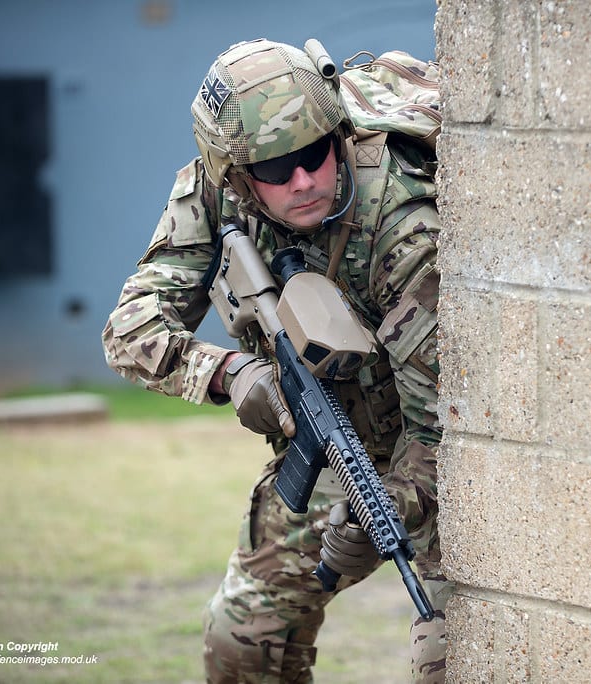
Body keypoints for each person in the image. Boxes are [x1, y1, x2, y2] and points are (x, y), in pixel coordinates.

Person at [101, 38, 447, 683]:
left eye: (316, 156)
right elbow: (128, 330)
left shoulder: (402, 228)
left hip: (442, 465)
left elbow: (443, 433)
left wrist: (394, 506)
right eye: (275, 170)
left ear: (338, 135)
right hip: (335, 443)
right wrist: (232, 374)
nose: (304, 181)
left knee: (455, 660)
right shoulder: (217, 193)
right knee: (241, 640)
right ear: (234, 175)